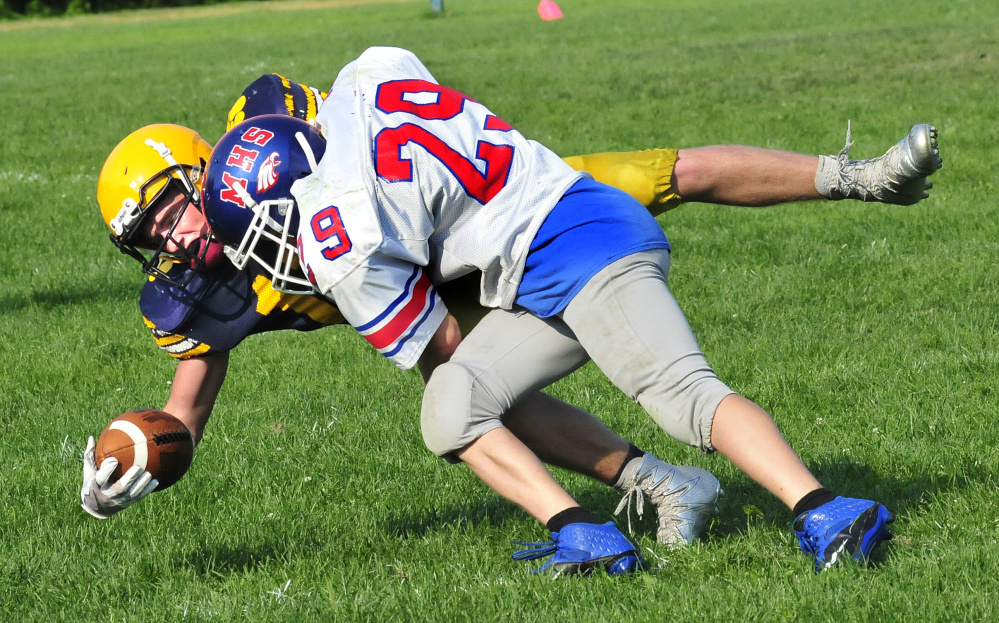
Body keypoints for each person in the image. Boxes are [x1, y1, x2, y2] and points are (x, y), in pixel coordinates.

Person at [200, 47, 941, 575]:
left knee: (682, 395)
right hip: (539, 260)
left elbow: (443, 334)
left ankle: (824, 506)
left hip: (582, 246)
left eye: (266, 234)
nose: (274, 255)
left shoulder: (337, 236)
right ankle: (584, 532)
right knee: (451, 403)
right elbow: (399, 83)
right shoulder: (365, 81)